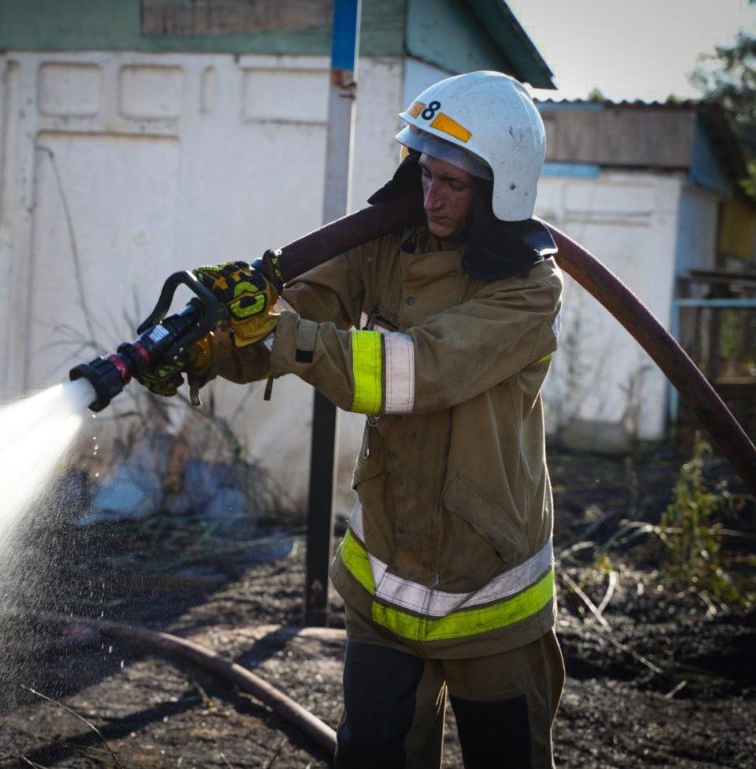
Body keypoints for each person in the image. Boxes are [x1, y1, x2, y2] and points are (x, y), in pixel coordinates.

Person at [140, 70, 565, 769]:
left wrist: (278, 332)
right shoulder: (384, 246)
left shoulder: (527, 290)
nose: (430, 196)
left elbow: (416, 371)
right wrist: (207, 348)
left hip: (490, 592)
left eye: (453, 183)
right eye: (425, 173)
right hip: (384, 586)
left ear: (500, 187)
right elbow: (298, 314)